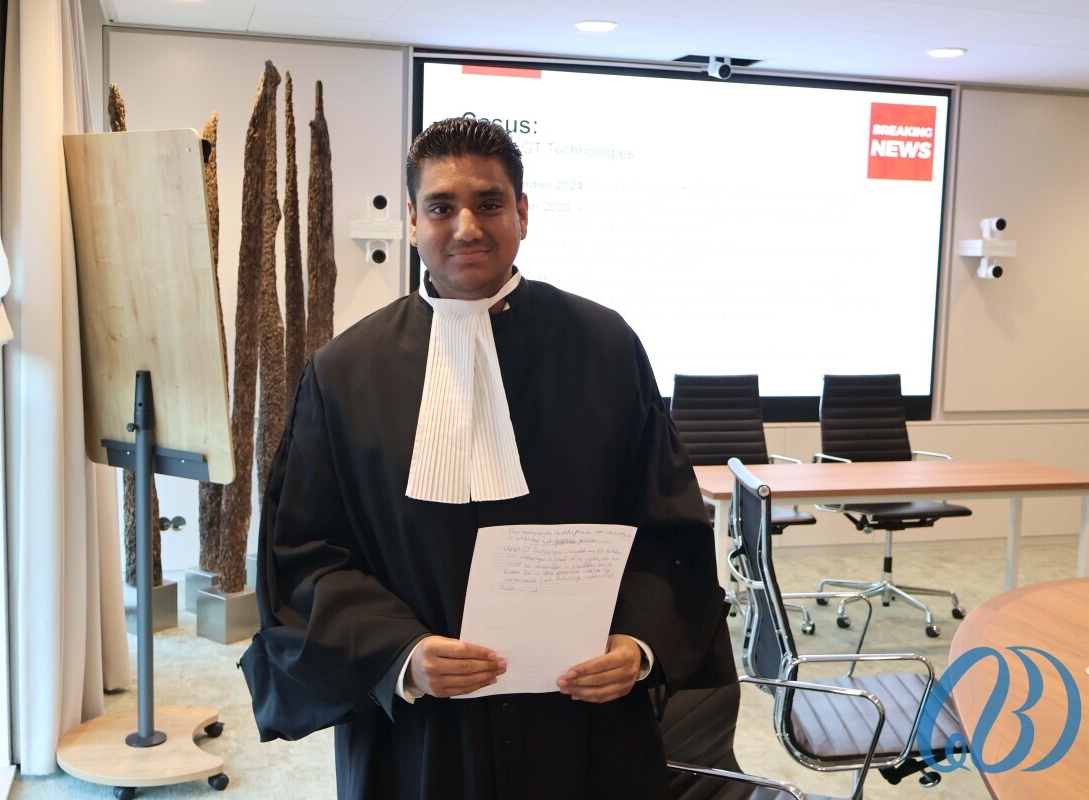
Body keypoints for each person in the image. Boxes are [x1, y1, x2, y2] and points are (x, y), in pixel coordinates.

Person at [242, 117, 736, 800]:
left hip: (586, 724)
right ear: (412, 220)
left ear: (522, 214)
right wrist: (401, 654)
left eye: (490, 203)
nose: (466, 227)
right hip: (419, 737)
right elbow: (304, 557)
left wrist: (637, 643)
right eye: (442, 207)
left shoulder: (605, 347)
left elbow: (668, 529)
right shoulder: (344, 373)